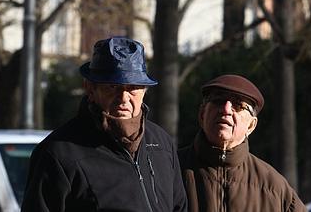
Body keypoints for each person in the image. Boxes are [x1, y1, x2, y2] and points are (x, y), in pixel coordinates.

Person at [22, 37, 187, 212]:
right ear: (90, 89)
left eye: (133, 87)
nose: (124, 98)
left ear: (144, 90)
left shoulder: (161, 142)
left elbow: (180, 207)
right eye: (112, 87)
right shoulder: (58, 152)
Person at [178, 74, 306, 212]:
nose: (226, 110)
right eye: (218, 100)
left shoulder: (275, 188)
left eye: (238, 105)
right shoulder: (170, 169)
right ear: (202, 114)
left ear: (251, 125)